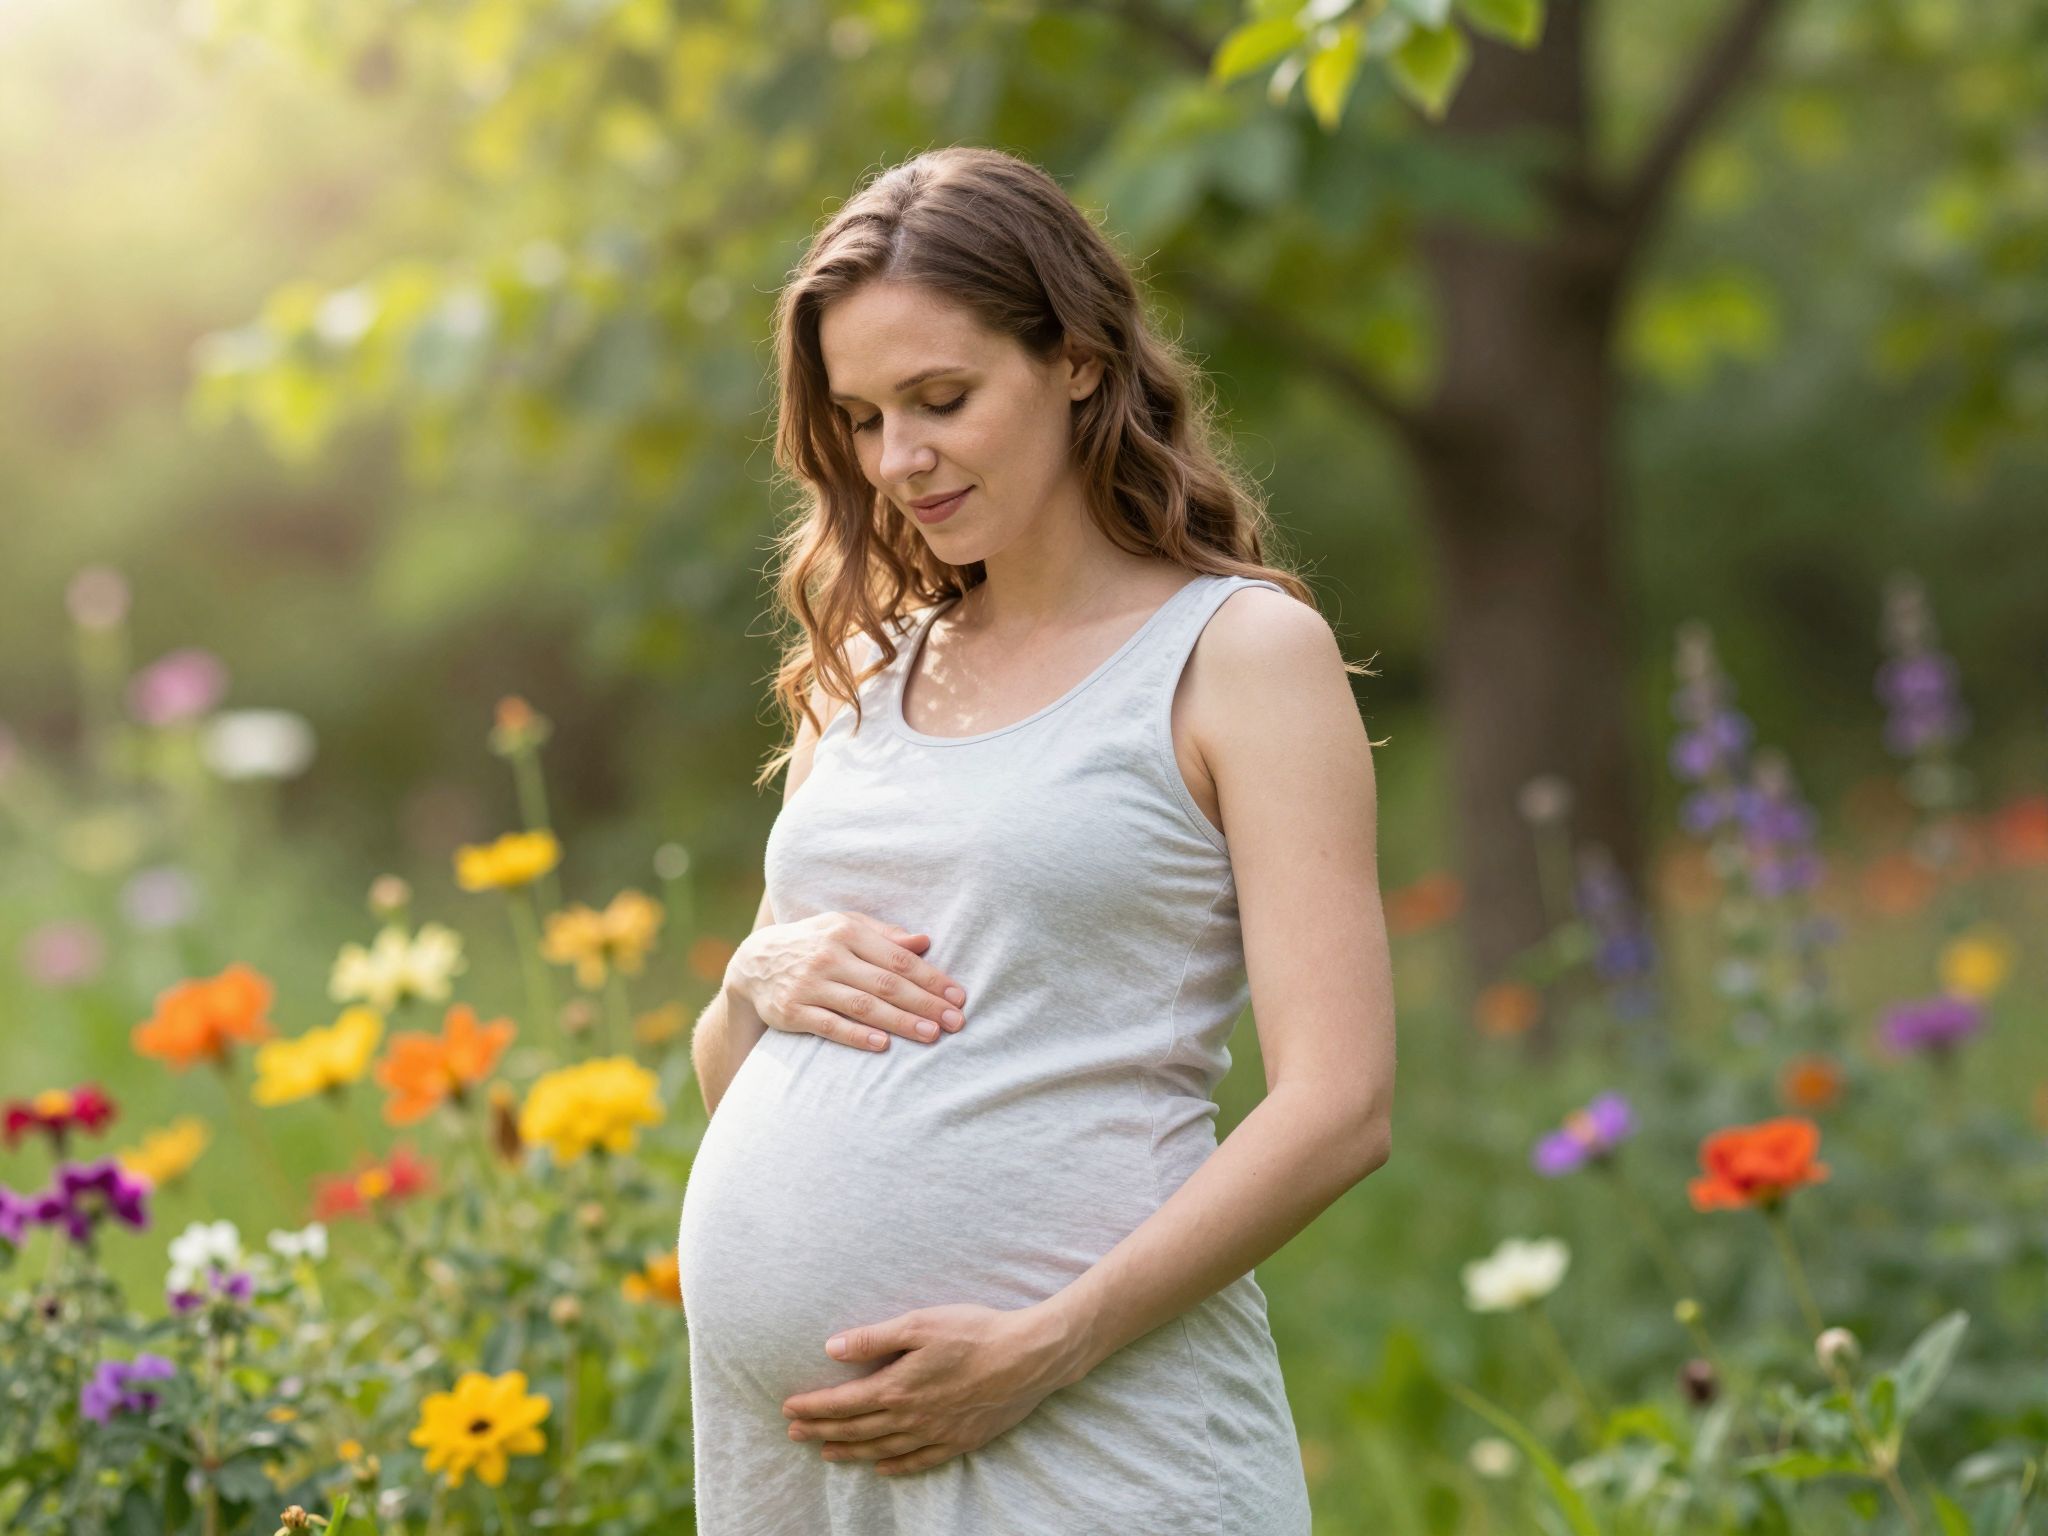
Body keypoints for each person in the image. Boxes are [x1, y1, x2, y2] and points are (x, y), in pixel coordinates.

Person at [678, 145, 1395, 1535]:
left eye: (942, 399)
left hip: (1091, 1436)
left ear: (1075, 359)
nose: (899, 459)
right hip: (806, 1469)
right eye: (863, 418)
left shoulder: (1238, 654)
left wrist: (1047, 1345)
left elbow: (1341, 1108)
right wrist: (747, 981)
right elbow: (738, 1077)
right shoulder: (862, 674)